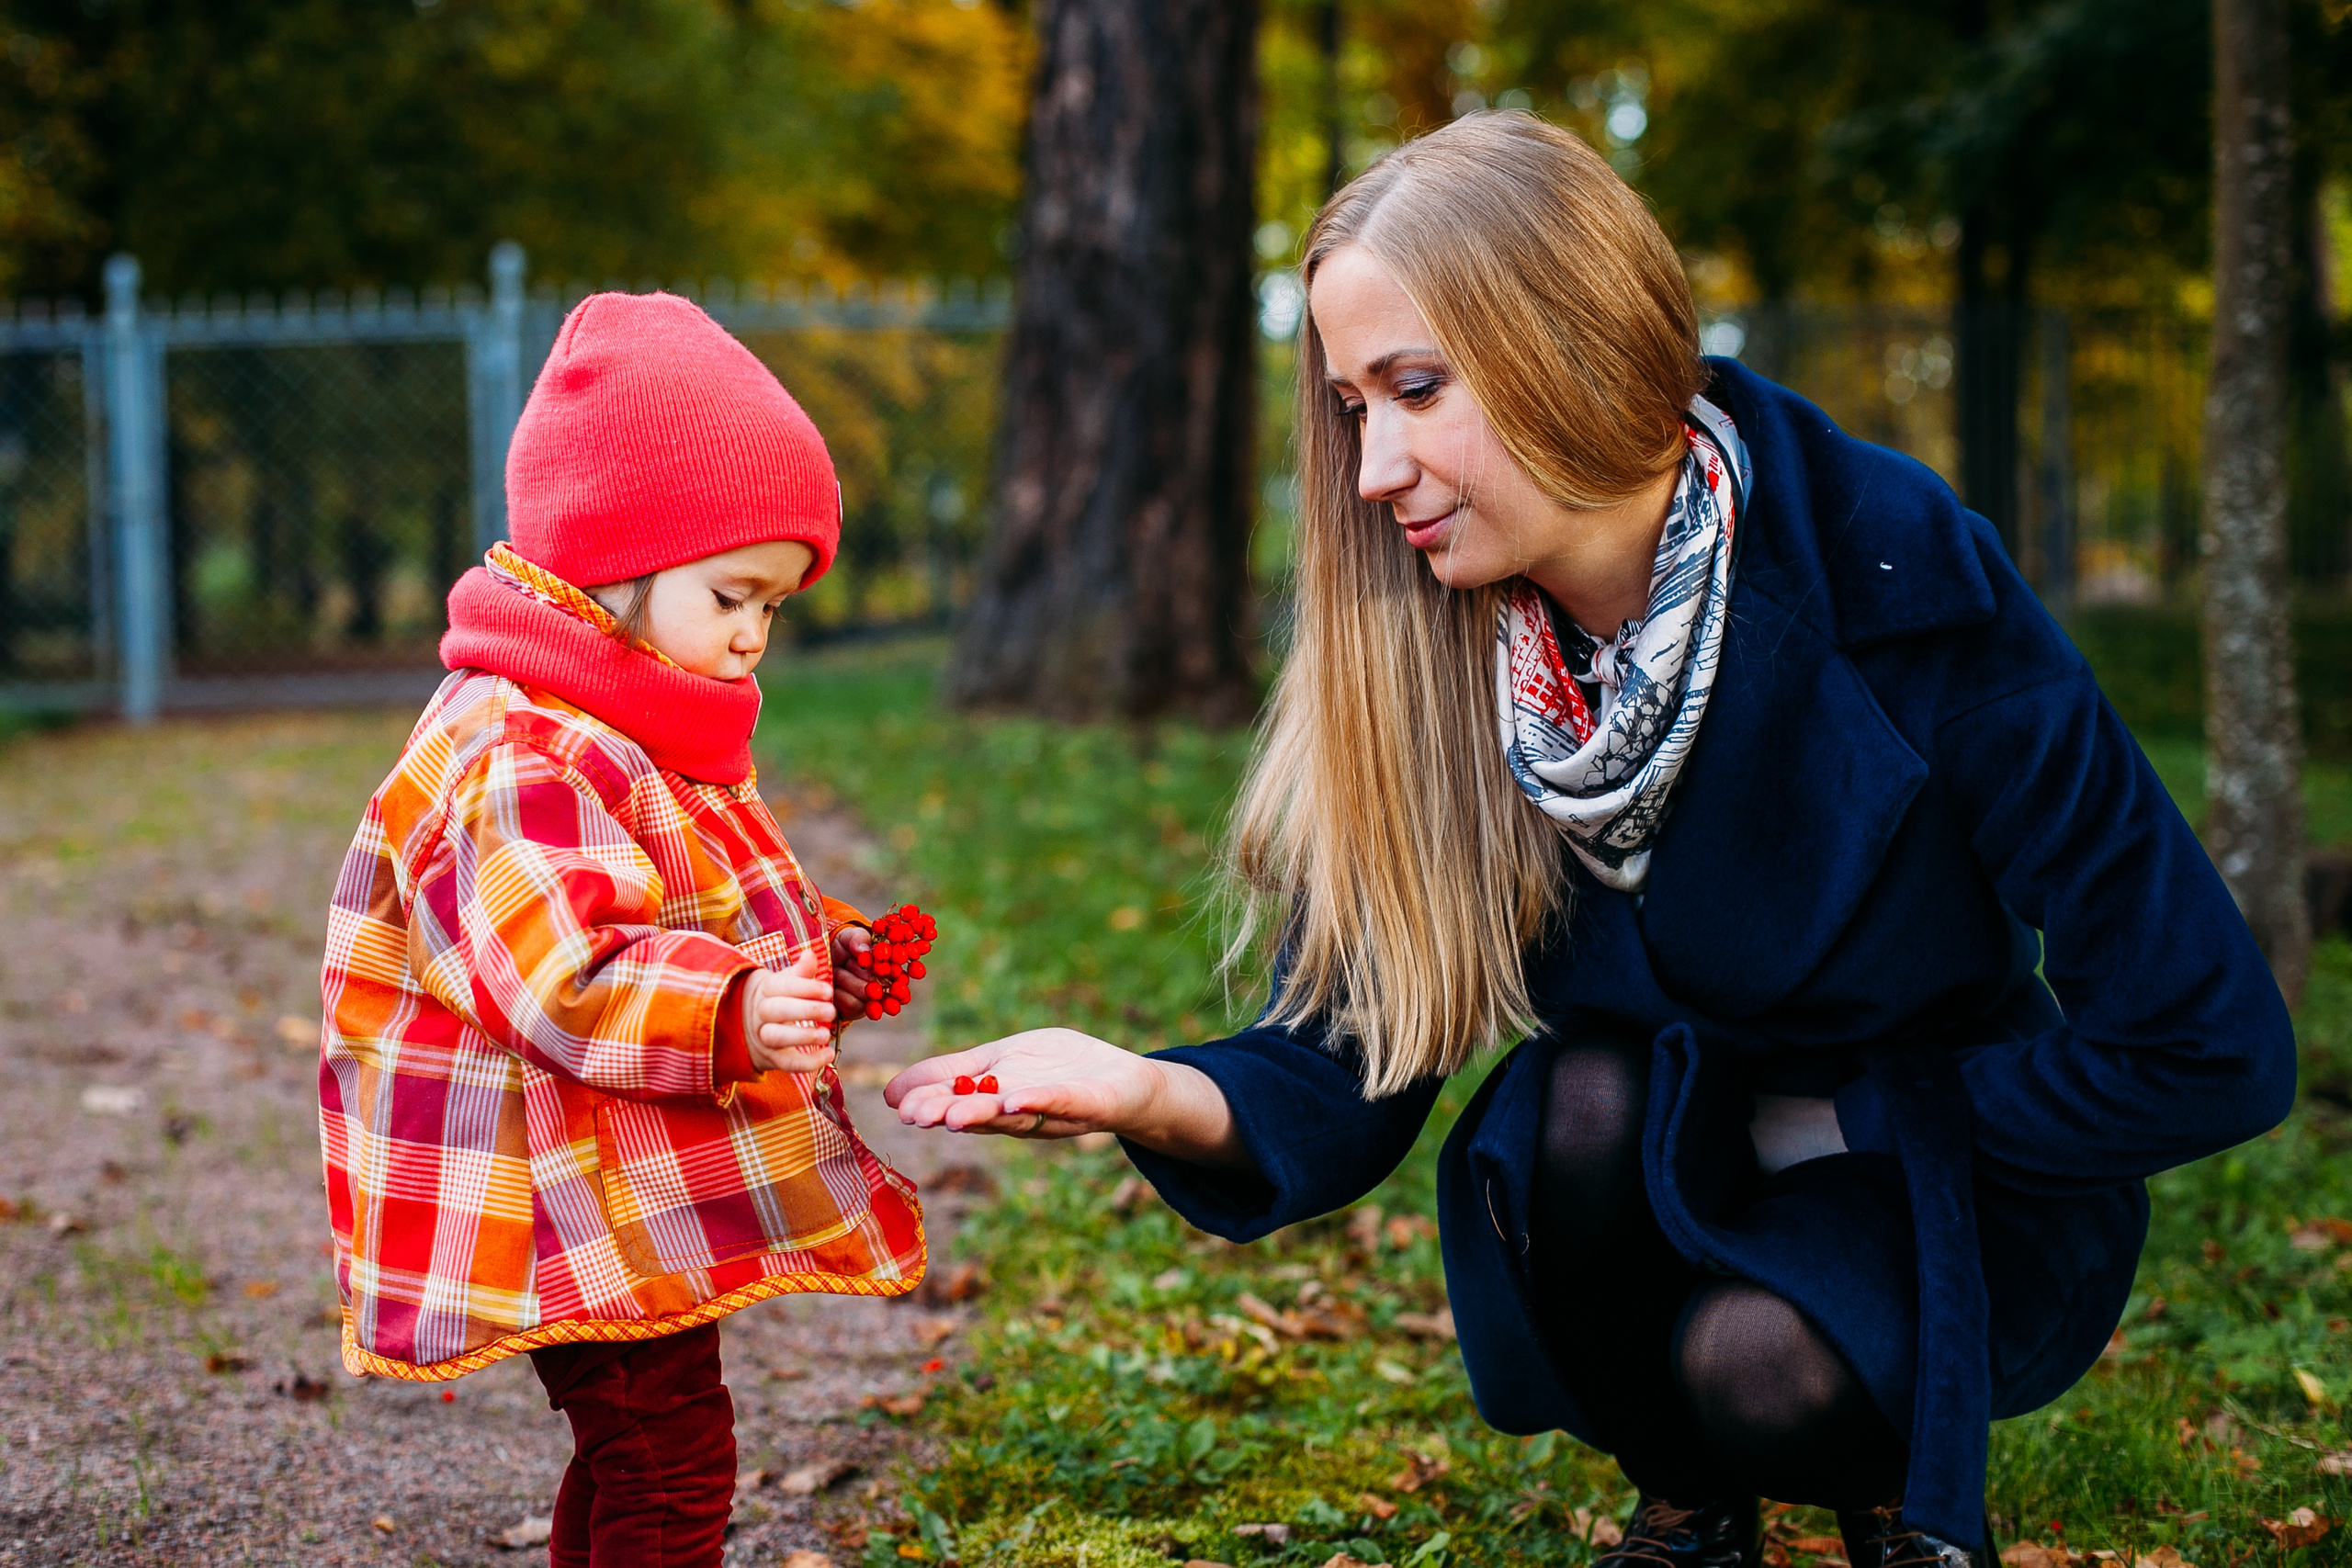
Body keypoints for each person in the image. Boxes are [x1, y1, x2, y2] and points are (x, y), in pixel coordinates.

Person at [888, 113, 2295, 1567]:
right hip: (1642, 1171)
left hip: (1936, 1179)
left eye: (1416, 390)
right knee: (1584, 1097)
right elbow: (1339, 1062)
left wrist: (1866, 1123)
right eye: (1354, 407)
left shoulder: (1894, 572)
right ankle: (1686, 1507)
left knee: (1759, 1361)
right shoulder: (1439, 650)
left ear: (1574, 341)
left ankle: (1880, 1475)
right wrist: (1138, 1091)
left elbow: (2209, 1043)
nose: (1374, 468)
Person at [318, 292, 924, 1568]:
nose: (755, 632)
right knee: (670, 1457)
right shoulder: (526, 751)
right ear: (615, 557)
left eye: (776, 603)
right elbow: (571, 974)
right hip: (553, 1181)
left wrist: (818, 960)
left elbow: (693, 897)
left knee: (640, 1448)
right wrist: (733, 1008)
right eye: (733, 592)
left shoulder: (622, 723)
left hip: (603, 1174)